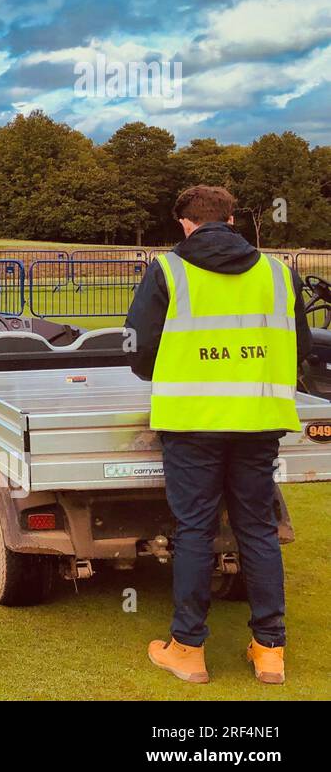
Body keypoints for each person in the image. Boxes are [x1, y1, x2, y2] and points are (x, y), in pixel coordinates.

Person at [126, 185, 311, 685]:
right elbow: (303, 345)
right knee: (256, 528)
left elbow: (139, 349)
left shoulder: (168, 269)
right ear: (231, 219)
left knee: (195, 531)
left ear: (185, 223)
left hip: (192, 422)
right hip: (260, 419)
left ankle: (188, 649)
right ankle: (269, 650)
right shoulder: (279, 272)